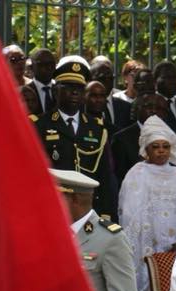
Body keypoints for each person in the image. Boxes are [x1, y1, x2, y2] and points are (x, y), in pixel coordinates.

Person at [118, 116, 176, 291]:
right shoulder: (137, 173)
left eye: (165, 147)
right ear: (146, 149)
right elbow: (130, 215)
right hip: (145, 250)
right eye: (155, 147)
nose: (161, 151)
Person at [32, 57, 117, 220]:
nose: (75, 92)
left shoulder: (96, 128)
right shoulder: (40, 126)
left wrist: (106, 213)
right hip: (54, 209)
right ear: (55, 91)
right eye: (69, 87)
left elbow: (106, 176)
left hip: (90, 210)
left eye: (79, 88)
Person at [90, 56, 132, 132]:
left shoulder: (126, 107)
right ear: (90, 80)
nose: (107, 82)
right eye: (102, 78)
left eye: (110, 78)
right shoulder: (82, 107)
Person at [25, 47, 56, 115]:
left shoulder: (60, 90)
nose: (45, 68)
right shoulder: (25, 92)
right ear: (32, 67)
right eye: (40, 64)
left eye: (50, 64)